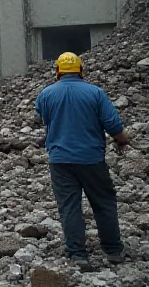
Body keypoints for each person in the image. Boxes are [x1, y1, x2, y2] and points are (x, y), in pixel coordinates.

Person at [34, 52, 130, 268]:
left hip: (60, 160)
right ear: (80, 70)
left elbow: (42, 117)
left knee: (69, 206)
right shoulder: (95, 93)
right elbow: (113, 125)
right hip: (91, 159)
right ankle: (113, 250)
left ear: (58, 71)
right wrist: (122, 140)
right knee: (103, 202)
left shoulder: (47, 93)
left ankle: (77, 255)